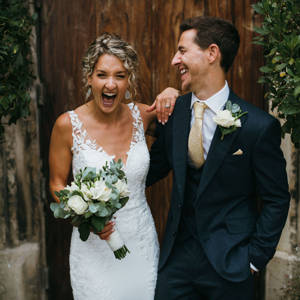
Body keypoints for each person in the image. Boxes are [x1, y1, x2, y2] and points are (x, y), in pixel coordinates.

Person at [146, 16, 290, 300]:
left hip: (231, 265)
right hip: (176, 263)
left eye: (182, 51)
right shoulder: (173, 113)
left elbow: (276, 198)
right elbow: (150, 171)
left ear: (212, 53)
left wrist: (253, 260)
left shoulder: (258, 127)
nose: (175, 60)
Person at [49, 33, 177, 300]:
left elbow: (182, 119)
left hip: (140, 241)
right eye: (102, 75)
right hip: (93, 248)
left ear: (129, 80)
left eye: (120, 76)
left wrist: (172, 93)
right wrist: (84, 215)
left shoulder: (143, 115)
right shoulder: (67, 125)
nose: (111, 84)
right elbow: (57, 184)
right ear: (89, 78)